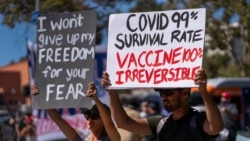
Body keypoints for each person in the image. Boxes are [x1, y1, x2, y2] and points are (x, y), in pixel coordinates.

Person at [101, 69, 224, 141]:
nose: (164, 96)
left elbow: (216, 127)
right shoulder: (160, 123)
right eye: (161, 92)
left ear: (185, 94)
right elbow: (123, 123)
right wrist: (112, 93)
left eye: (168, 92)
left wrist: (204, 91)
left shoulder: (197, 121)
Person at [32, 82, 120, 141]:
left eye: (94, 116)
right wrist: (41, 98)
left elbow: (109, 124)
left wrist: (96, 99)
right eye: (87, 115)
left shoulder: (112, 138)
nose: (90, 120)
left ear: (104, 120)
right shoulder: (81, 138)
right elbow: (57, 118)